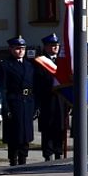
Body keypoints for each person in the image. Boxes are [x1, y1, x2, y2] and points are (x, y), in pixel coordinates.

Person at [0, 36, 36, 166]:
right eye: (18, 48)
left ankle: (23, 160)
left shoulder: (29, 65)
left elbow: (33, 86)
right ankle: (13, 160)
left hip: (27, 102)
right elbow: (2, 88)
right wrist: (5, 107)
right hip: (14, 102)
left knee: (26, 134)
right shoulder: (5, 65)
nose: (21, 51)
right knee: (14, 134)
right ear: (11, 49)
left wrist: (35, 105)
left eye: (23, 48)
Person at [34, 33, 65, 161]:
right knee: (48, 130)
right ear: (45, 47)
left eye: (56, 45)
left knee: (60, 128)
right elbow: (38, 83)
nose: (55, 48)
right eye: (52, 46)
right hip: (47, 101)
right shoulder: (40, 62)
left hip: (61, 101)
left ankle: (58, 153)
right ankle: (48, 155)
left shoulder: (62, 61)